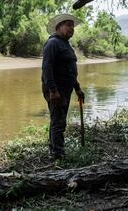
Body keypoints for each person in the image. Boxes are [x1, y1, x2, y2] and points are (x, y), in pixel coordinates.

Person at [41, 14, 85, 160]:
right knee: (58, 122)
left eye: (72, 25)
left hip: (65, 90)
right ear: (58, 27)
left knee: (58, 120)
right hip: (55, 90)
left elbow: (70, 70)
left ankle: (54, 150)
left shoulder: (66, 44)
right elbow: (47, 68)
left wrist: (77, 88)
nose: (71, 28)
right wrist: (53, 90)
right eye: (68, 25)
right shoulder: (52, 43)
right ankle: (57, 155)